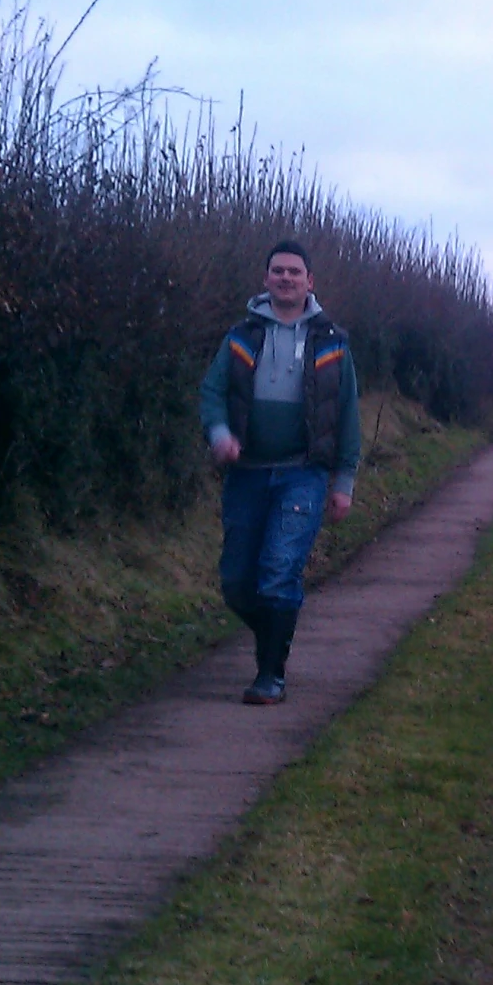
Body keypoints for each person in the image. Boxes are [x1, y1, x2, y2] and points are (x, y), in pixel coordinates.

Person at [198, 240, 361, 705]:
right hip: (245, 473)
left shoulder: (333, 343)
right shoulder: (240, 336)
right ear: (265, 279)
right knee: (236, 582)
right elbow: (211, 393)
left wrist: (343, 484)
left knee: (277, 572)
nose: (286, 278)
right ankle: (273, 636)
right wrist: (219, 435)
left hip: (302, 474)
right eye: (278, 271)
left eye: (295, 272)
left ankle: (271, 674)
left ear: (310, 282)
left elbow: (347, 414)